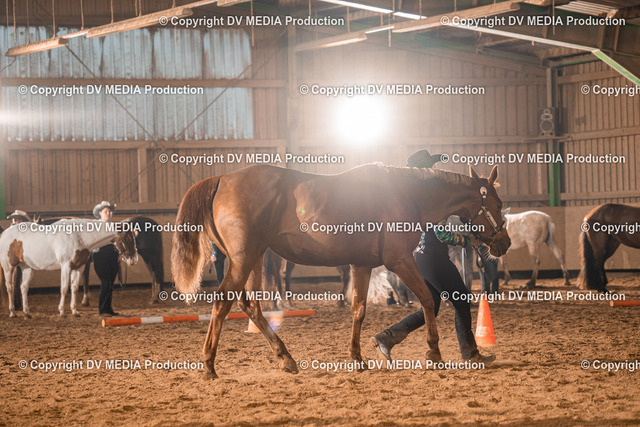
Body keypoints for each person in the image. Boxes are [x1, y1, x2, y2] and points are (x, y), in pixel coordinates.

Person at [370, 149, 495, 363]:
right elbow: (442, 234)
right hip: (434, 258)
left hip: (420, 258)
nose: (435, 169)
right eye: (432, 165)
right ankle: (470, 354)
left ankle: (387, 338)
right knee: (461, 300)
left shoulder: (414, 197)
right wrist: (468, 241)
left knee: (430, 307)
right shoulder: (432, 198)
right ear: (425, 170)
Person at [92, 201, 120, 316]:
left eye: (110, 211)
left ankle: (108, 309)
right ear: (100, 213)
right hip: (100, 256)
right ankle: (103, 309)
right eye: (106, 211)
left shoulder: (113, 226)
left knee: (110, 284)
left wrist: (120, 255)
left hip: (113, 257)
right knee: (106, 282)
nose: (108, 213)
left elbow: (118, 243)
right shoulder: (95, 226)